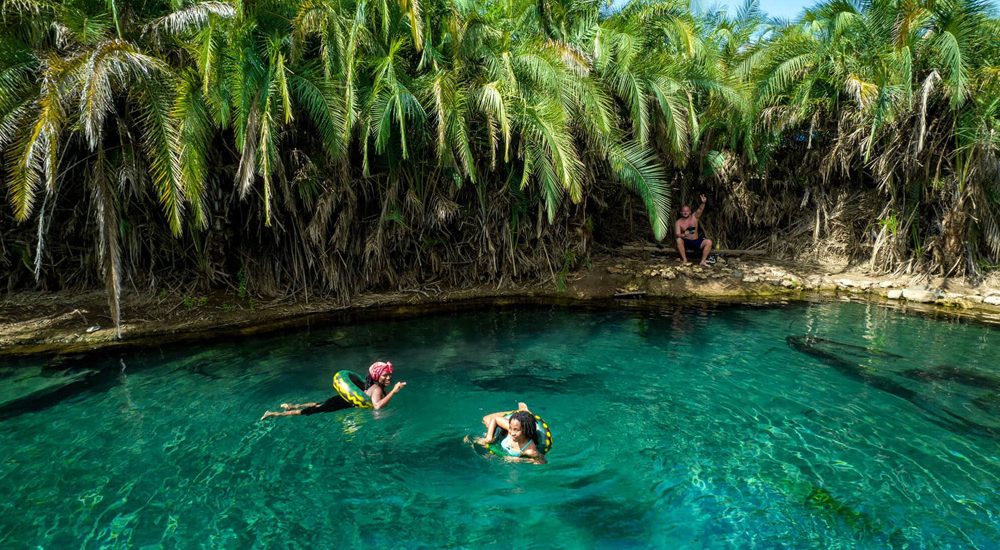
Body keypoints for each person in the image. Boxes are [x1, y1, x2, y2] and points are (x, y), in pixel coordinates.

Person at [260, 361, 406, 419]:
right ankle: (273, 414)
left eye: (389, 375)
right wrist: (394, 391)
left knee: (318, 404)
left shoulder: (371, 385)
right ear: (377, 376)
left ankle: (291, 405)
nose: (388, 378)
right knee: (312, 411)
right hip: (343, 404)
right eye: (385, 375)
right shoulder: (377, 390)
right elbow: (377, 407)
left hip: (343, 399)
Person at [474, 402, 546, 464]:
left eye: (516, 430)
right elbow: (495, 419)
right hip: (504, 432)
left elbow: (542, 462)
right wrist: (489, 438)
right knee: (485, 419)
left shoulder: (529, 450)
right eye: (511, 428)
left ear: (526, 431)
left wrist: (520, 460)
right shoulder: (511, 428)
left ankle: (523, 411)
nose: (512, 433)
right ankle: (520, 411)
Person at [675, 194, 714, 266]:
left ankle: (703, 261)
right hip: (686, 241)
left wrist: (703, 203)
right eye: (683, 211)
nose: (685, 212)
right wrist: (683, 235)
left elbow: (700, 210)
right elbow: (677, 234)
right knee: (679, 240)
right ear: (681, 213)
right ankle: (685, 260)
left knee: (709, 242)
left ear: (690, 212)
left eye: (687, 211)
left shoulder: (694, 217)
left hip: (696, 241)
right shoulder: (679, 222)